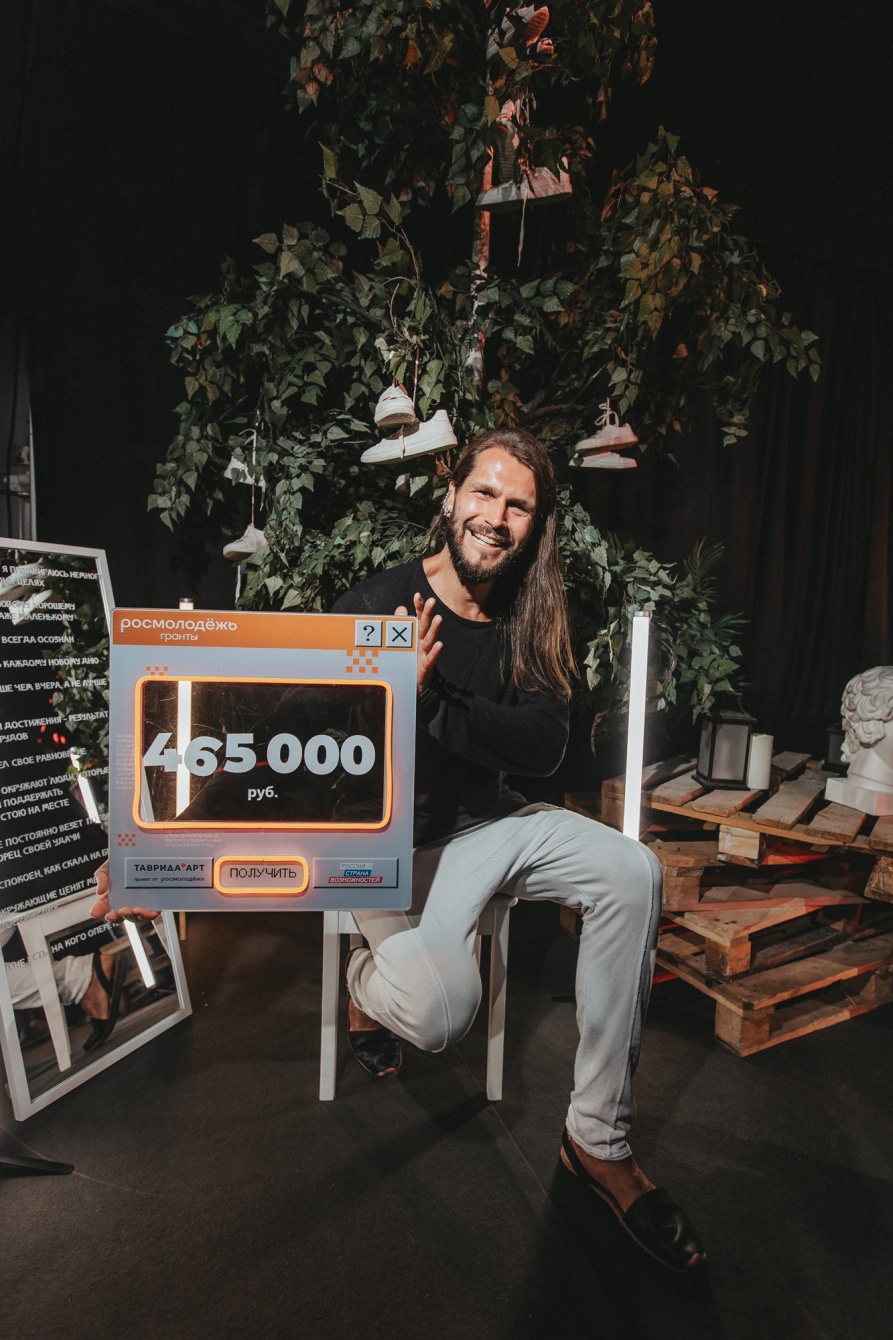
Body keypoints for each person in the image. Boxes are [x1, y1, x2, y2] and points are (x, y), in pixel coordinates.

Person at [331, 426, 706, 1272]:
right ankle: (363, 984)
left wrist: (430, 700)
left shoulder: (530, 614)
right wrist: (149, 850)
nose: (495, 517)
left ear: (535, 525)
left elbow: (541, 746)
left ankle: (597, 1141)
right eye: (483, 493)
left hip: (489, 827)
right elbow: (285, 738)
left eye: (518, 506)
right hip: (386, 850)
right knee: (438, 1015)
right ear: (450, 496)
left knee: (631, 870)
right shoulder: (375, 604)